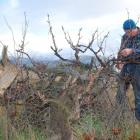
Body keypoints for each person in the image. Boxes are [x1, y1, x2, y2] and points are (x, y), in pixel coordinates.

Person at [116, 19, 140, 121]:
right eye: (126, 32)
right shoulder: (125, 37)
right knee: (120, 92)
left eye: (129, 32)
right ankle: (121, 116)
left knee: (138, 95)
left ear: (135, 28)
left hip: (138, 66)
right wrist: (119, 61)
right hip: (126, 66)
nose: (128, 34)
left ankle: (138, 119)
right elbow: (121, 49)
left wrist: (131, 51)